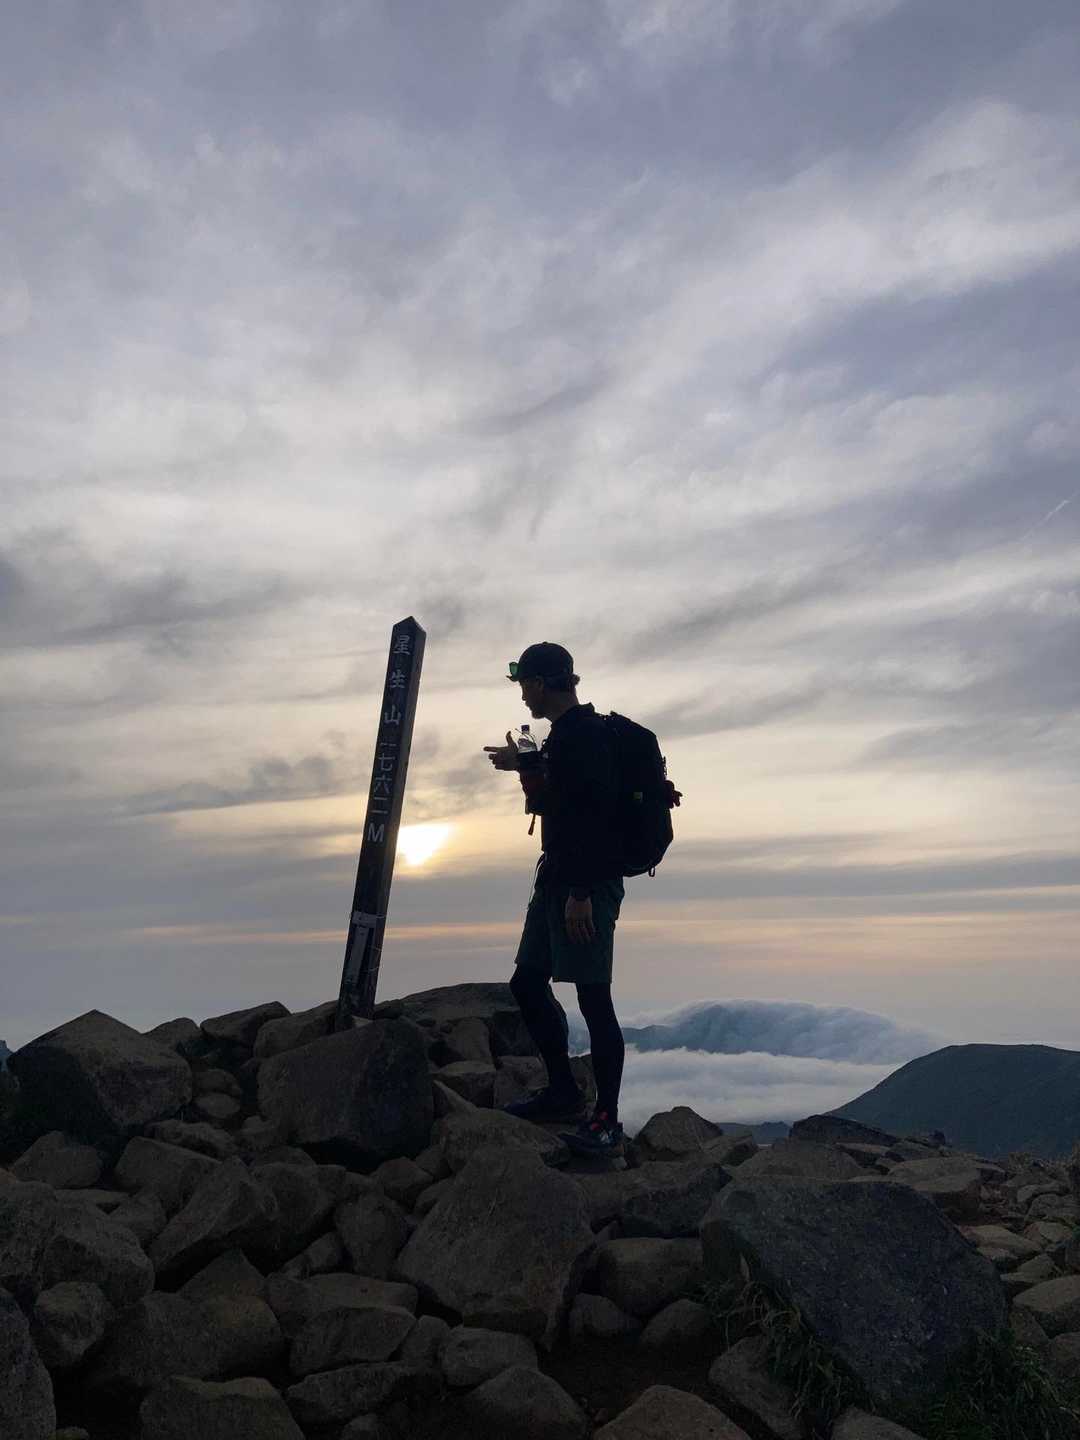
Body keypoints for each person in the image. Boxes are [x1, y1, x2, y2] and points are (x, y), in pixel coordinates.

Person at [483, 642, 627, 1156]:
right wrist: (524, 762)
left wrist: (582, 892)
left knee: (593, 997)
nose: (523, 696)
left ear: (541, 683)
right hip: (557, 880)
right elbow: (555, 799)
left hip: (583, 886)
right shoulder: (564, 737)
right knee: (527, 983)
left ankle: (606, 1122)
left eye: (525, 685)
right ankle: (563, 1092)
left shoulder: (584, 736)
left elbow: (595, 817)